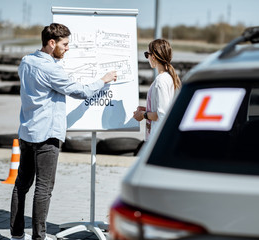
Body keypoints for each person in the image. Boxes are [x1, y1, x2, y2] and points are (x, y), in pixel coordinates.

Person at [10, 23, 117, 240]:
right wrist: (103, 80)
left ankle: (17, 234)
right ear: (52, 43)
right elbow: (80, 91)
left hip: (27, 132)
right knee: (43, 188)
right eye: (64, 44)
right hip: (47, 134)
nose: (67, 48)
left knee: (22, 184)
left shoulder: (26, 62)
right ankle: (39, 237)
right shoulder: (50, 69)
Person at [133, 39, 181, 140]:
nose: (147, 58)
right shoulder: (169, 78)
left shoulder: (161, 81)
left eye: (147, 54)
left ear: (153, 57)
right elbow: (166, 108)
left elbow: (162, 114)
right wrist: (148, 109)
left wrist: (143, 114)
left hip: (158, 137)